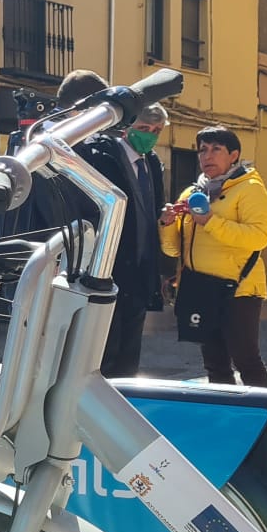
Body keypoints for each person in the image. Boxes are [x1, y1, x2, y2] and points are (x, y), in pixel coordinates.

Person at [159, 126, 267, 387]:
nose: (207, 156)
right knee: (214, 362)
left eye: (216, 149)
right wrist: (166, 225)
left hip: (239, 289)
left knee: (246, 359)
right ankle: (225, 419)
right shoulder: (192, 194)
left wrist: (210, 221)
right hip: (201, 287)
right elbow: (174, 250)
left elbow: (258, 237)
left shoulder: (250, 189)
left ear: (234, 155)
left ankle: (266, 420)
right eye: (202, 150)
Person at [104, 103, 169, 376]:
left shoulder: (152, 162)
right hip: (112, 270)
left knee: (129, 358)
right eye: (144, 129)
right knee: (107, 352)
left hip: (141, 273)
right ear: (127, 128)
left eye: (156, 131)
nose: (150, 135)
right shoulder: (107, 158)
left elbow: (153, 210)